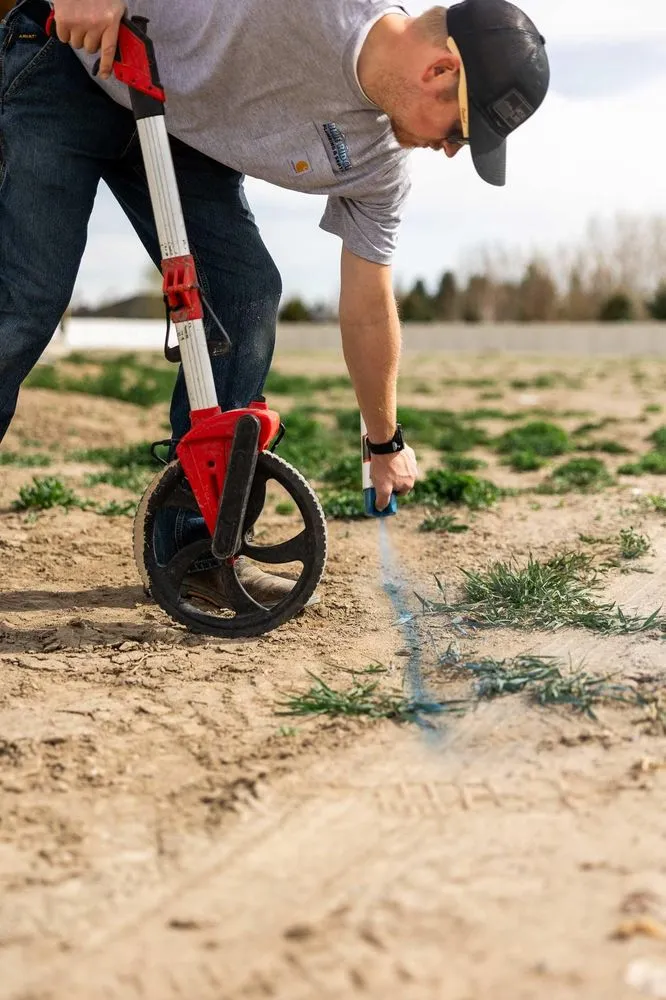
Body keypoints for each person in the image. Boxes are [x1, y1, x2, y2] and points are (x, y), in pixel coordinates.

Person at [0, 0, 549, 607]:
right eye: (460, 132)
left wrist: (385, 441)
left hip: (172, 126)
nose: (449, 151)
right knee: (22, 301)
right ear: (440, 71)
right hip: (71, 64)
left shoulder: (379, 166)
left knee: (245, 296)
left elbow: (368, 308)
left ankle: (199, 552)